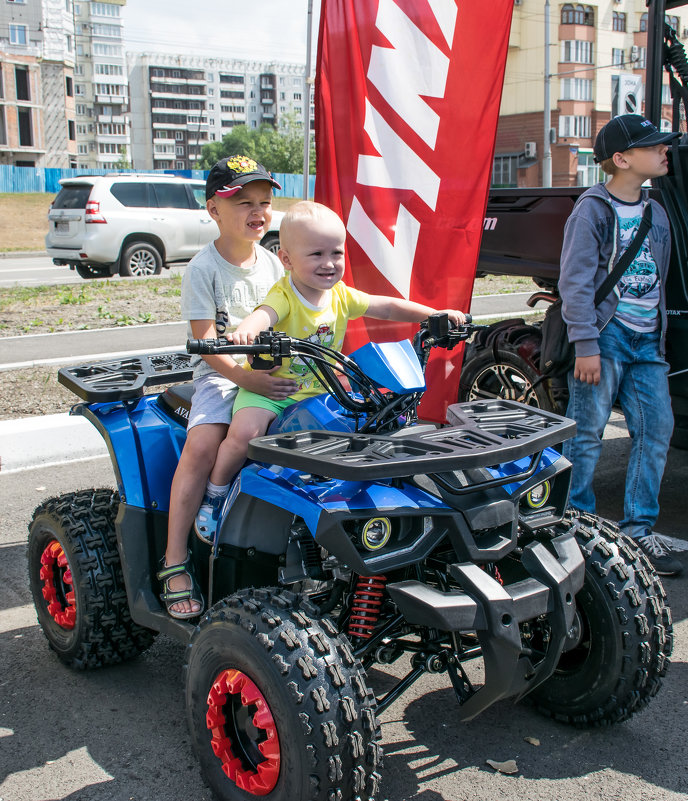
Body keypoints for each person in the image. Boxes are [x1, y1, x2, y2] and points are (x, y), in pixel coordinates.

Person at [170, 200, 465, 604]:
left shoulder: (340, 295)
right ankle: (216, 494)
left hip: (321, 391)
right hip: (271, 391)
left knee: (370, 429)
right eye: (317, 254)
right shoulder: (286, 295)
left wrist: (433, 314)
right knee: (244, 433)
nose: (329, 263)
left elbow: (385, 304)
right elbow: (263, 315)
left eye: (336, 253)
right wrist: (246, 333)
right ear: (287, 259)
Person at [158, 155, 297, 619]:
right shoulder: (204, 268)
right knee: (202, 445)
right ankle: (175, 558)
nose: (257, 212)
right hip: (221, 374)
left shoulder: (276, 264)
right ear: (214, 210)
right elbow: (204, 343)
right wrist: (241, 377)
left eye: (264, 202)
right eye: (243, 203)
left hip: (267, 372)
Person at [560, 114, 683, 577]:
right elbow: (574, 282)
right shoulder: (591, 209)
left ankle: (638, 530)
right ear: (622, 158)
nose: (664, 151)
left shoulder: (656, 210)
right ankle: (575, 526)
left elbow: (661, 277)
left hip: (647, 338)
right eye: (654, 147)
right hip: (605, 336)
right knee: (587, 433)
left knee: (656, 430)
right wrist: (586, 343)